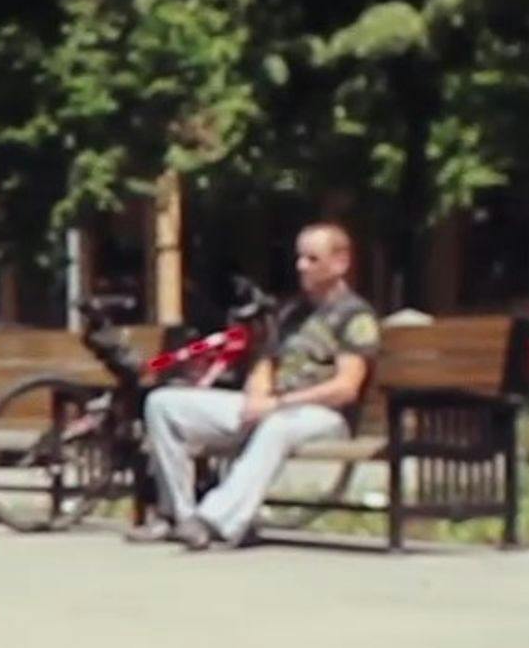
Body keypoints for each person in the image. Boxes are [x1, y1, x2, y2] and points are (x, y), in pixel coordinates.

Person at [137, 223, 382, 551]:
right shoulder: (292, 312)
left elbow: (345, 388)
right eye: (300, 258)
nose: (301, 266)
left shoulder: (355, 316)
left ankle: (216, 522)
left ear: (340, 262)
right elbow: (265, 364)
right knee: (163, 403)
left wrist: (278, 405)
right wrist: (257, 395)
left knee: (277, 426)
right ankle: (182, 517)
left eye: (312, 259)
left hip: (324, 417)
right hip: (276, 407)